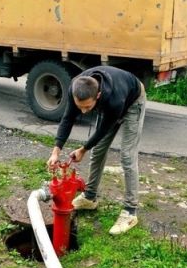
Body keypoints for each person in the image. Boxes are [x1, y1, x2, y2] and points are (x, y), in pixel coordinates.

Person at [47, 66, 146, 234]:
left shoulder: (114, 100)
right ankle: (89, 197)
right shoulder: (76, 89)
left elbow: (104, 130)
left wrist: (83, 149)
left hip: (132, 100)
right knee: (98, 150)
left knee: (127, 157)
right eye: (80, 106)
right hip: (109, 100)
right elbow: (67, 118)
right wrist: (56, 151)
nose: (83, 112)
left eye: (87, 107)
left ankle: (130, 211)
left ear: (98, 96)